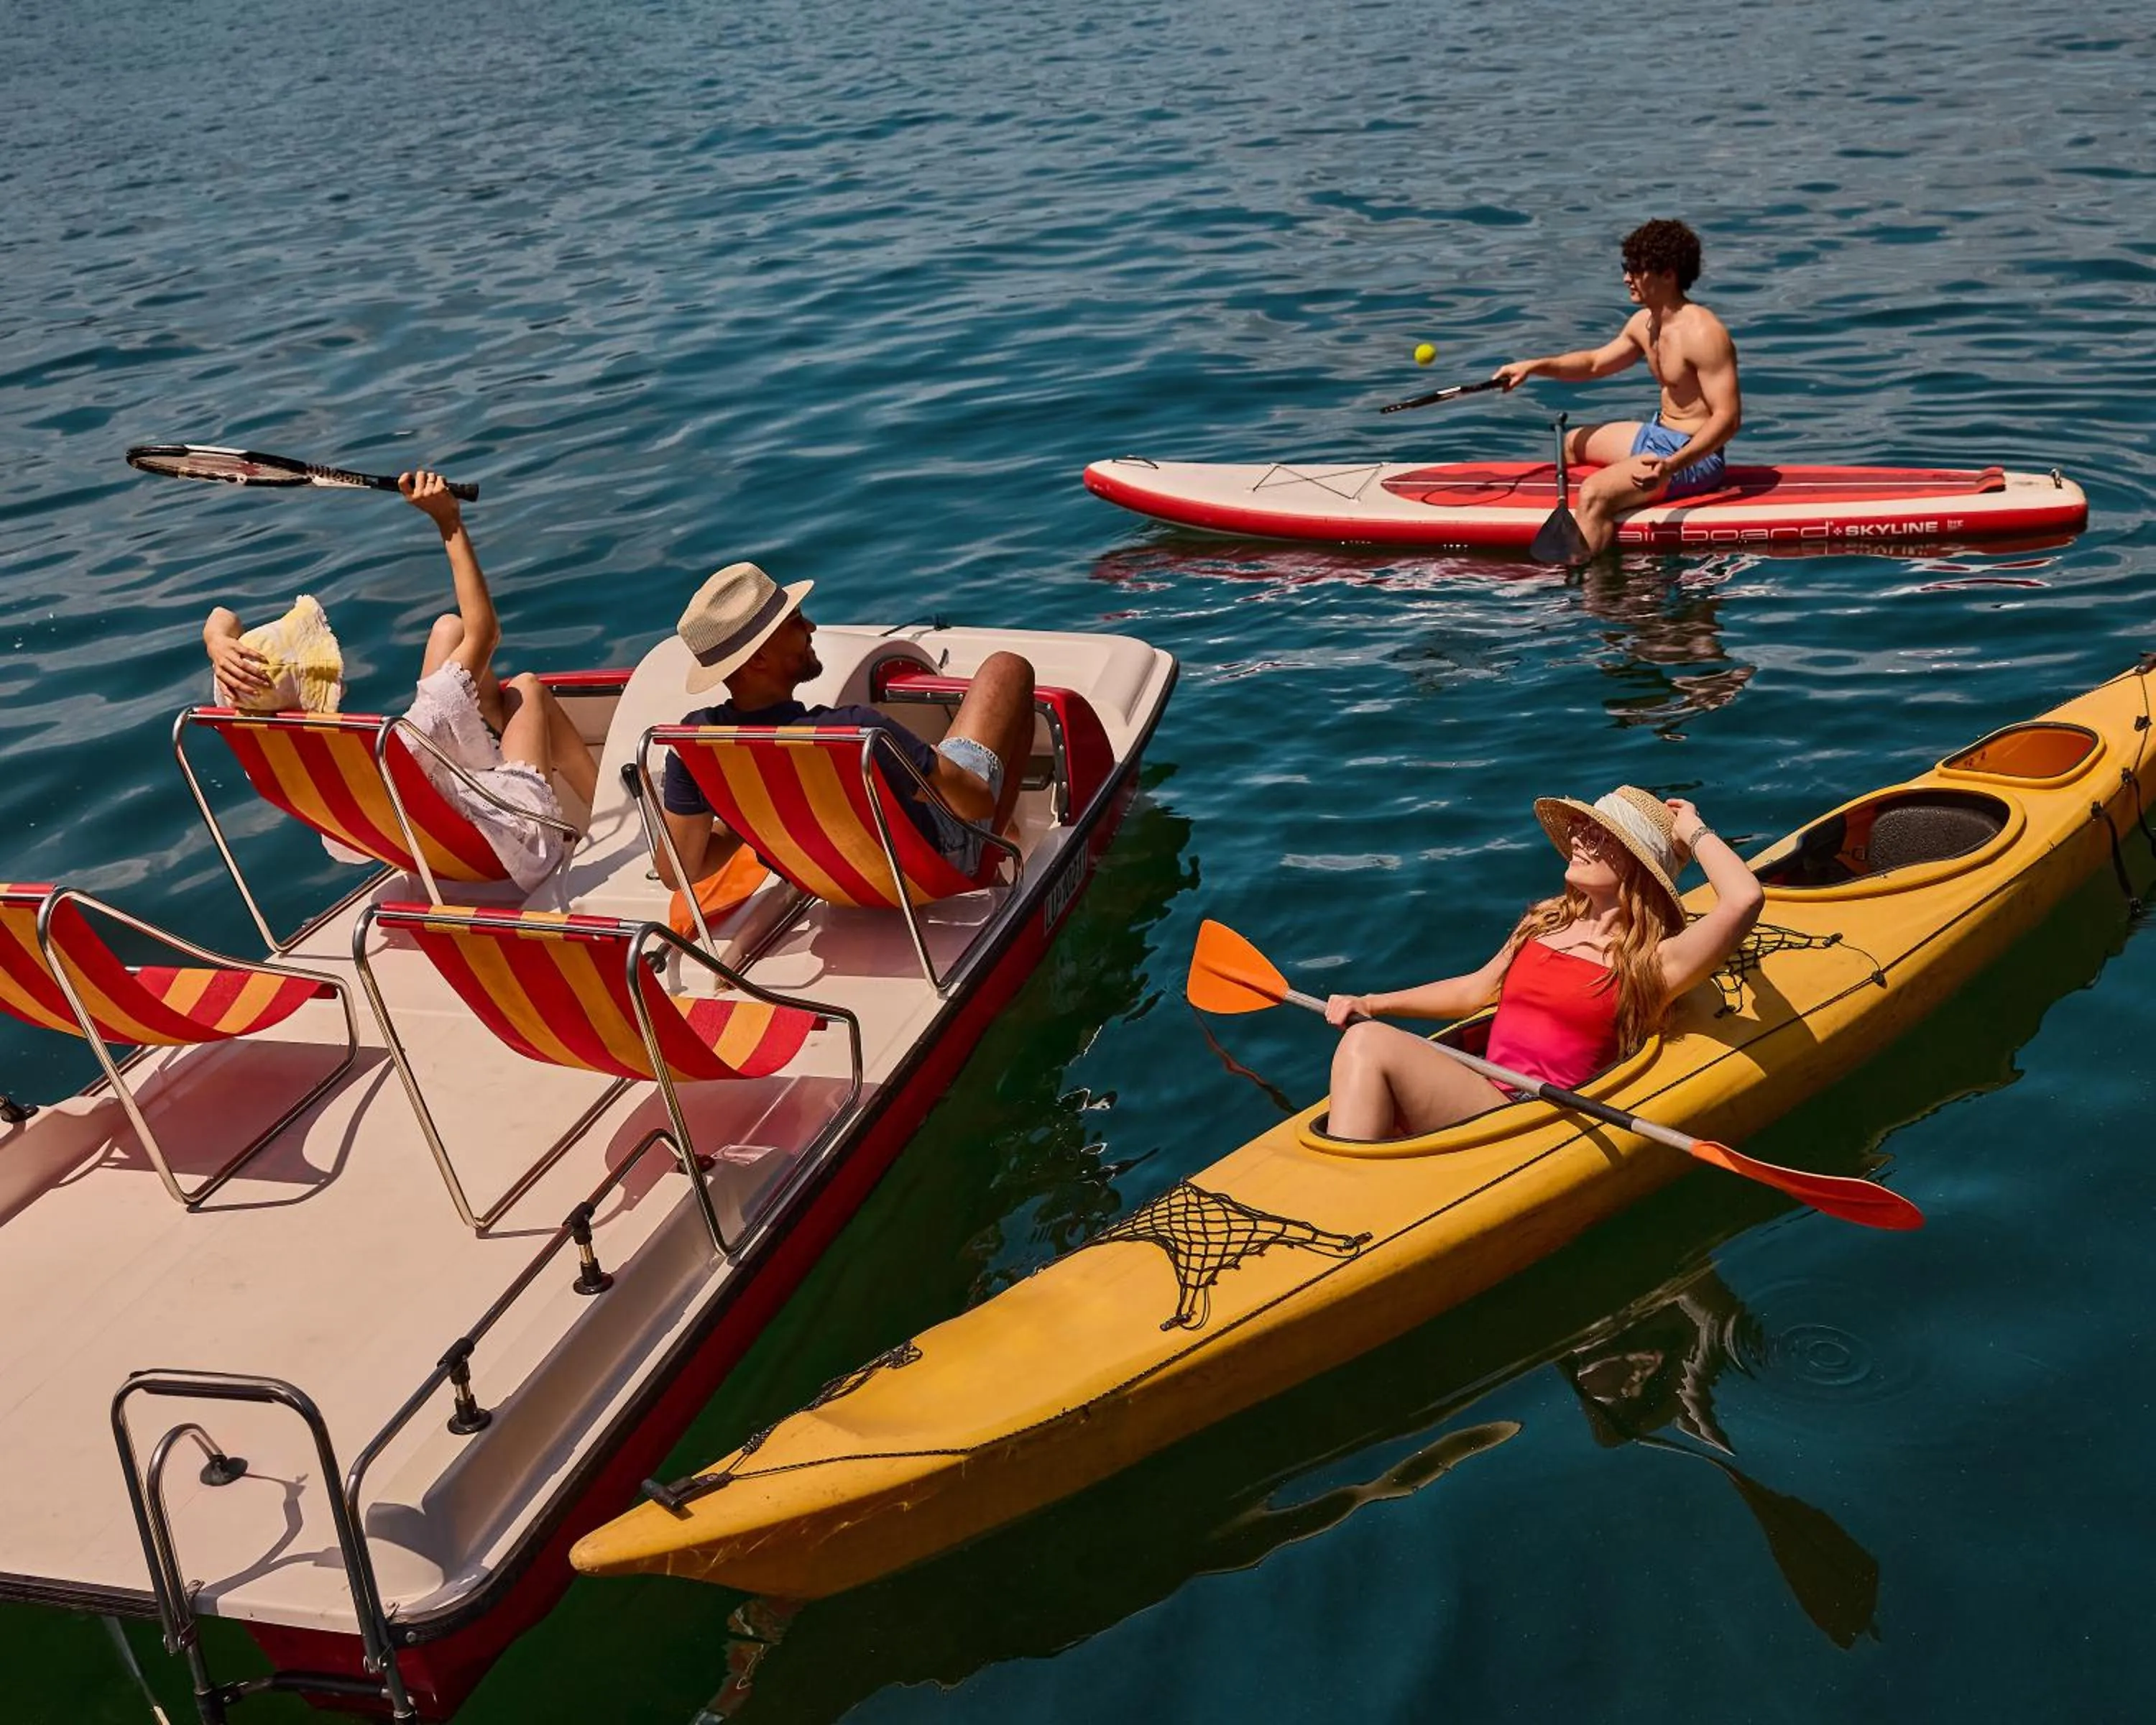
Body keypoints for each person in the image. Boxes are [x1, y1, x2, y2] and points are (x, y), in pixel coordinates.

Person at [203, 471, 598, 893]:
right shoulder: (401, 741)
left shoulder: (268, 733)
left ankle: (502, 730)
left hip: (429, 831)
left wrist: (216, 641)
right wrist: (449, 522)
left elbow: (222, 617)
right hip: (518, 840)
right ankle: (605, 801)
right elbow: (486, 632)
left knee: (448, 628)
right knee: (526, 690)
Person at [1321, 786, 1763, 1141]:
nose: (1578, 840)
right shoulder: (1547, 922)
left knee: (1368, 1044)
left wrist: (1693, 830)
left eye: (1600, 836)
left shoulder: (1655, 962)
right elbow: (1473, 992)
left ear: (1638, 864)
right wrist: (1372, 1003)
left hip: (1532, 1120)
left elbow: (1743, 898)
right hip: (1482, 1091)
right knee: (1367, 1037)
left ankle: (1346, 1190)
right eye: (1581, 828)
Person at [654, 561, 1035, 893]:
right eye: (796, 622)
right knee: (1007, 669)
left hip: (821, 879)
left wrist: (750, 811)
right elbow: (975, 803)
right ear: (759, 660)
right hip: (928, 867)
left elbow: (678, 872)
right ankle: (992, 859)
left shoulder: (696, 743)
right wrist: (929, 760)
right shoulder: (855, 734)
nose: (812, 626)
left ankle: (1005, 834)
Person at [1493, 219, 1741, 558]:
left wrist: (1672, 466)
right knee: (1571, 444)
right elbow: (1595, 363)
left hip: (1693, 458)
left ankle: (1588, 579)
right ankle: (1592, 521)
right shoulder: (1644, 323)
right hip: (1657, 436)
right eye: (1627, 267)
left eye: (1636, 269)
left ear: (1668, 275)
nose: (1626, 278)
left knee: (1594, 492)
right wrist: (1533, 367)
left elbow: (1728, 419)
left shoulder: (1704, 334)